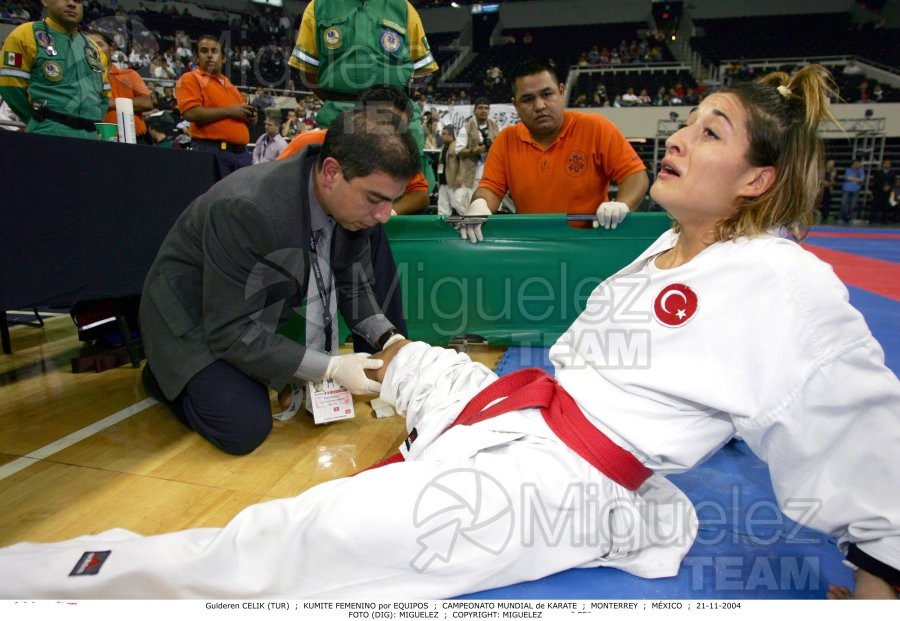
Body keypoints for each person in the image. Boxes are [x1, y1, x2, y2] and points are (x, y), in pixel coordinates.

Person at [1, 65, 898, 602]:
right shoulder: (669, 246)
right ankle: (387, 372)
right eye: (688, 117)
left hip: (555, 477)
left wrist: (873, 592)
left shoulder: (784, 284)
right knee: (420, 361)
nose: (678, 135)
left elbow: (863, 440)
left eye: (711, 131)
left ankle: (51, 582)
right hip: (522, 413)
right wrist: (375, 361)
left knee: (290, 539)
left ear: (755, 181)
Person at [135, 107, 419, 456]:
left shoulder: (350, 207)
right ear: (331, 172)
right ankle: (164, 377)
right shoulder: (247, 208)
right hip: (189, 320)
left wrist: (391, 338)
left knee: (273, 380)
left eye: (390, 201)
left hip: (245, 311)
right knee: (243, 428)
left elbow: (355, 287)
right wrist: (328, 368)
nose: (383, 216)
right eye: (375, 199)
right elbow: (230, 330)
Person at [460, 59, 649, 244]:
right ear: (515, 104)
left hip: (590, 243)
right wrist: (480, 204)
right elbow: (490, 189)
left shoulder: (596, 128)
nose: (540, 105)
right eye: (528, 99)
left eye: (547, 94)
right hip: (530, 245)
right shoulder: (506, 140)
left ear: (561, 92)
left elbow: (635, 175)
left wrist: (622, 203)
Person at [287, 0, 438, 154]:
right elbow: (308, 71)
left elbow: (420, 70)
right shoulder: (318, 7)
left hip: (394, 120)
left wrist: (392, 97)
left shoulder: (403, 8)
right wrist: (340, 99)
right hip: (338, 119)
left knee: (416, 173)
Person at [0, 0, 110, 139]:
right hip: (48, 131)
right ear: (45, 1)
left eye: (78, 0)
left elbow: (104, 95)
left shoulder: (94, 49)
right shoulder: (26, 34)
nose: (72, 4)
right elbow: (11, 88)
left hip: (90, 135)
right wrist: (40, 120)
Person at [175, 34, 257, 176]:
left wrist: (249, 117)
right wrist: (230, 111)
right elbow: (190, 113)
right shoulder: (191, 78)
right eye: (204, 51)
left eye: (215, 51)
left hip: (240, 154)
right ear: (196, 57)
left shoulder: (229, 85)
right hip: (212, 152)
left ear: (223, 58)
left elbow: (237, 114)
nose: (210, 55)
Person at [85, 29, 152, 142]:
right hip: (95, 140)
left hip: (136, 140)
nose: (95, 48)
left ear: (111, 50)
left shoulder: (129, 74)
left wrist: (108, 103)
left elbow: (146, 103)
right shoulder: (81, 80)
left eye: (99, 44)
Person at [455, 96, 501, 207]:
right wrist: (473, 151)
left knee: (493, 205)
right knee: (472, 205)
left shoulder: (497, 127)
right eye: (480, 108)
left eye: (486, 108)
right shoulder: (466, 128)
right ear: (475, 110)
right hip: (472, 173)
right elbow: (458, 150)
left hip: (492, 173)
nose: (483, 111)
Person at [436, 124, 463, 216]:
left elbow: (463, 161)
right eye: (442, 134)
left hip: (453, 181)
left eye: (444, 134)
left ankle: (468, 225)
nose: (442, 136)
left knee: (459, 205)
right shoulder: (444, 147)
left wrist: (460, 176)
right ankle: (444, 229)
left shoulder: (456, 145)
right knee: (442, 208)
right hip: (444, 182)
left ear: (451, 135)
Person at [839, 158, 865, 224]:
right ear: (852, 164)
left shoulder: (861, 170)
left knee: (853, 205)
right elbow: (847, 178)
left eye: (857, 164)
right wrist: (857, 179)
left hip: (856, 189)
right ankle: (841, 218)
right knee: (844, 203)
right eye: (855, 164)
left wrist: (852, 179)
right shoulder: (848, 170)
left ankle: (851, 219)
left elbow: (862, 180)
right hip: (847, 189)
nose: (856, 165)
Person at [869, 159, 895, 224]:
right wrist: (882, 187)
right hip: (878, 191)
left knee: (886, 206)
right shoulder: (878, 172)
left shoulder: (892, 173)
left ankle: (884, 220)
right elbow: (876, 181)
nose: (887, 164)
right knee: (875, 205)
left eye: (888, 163)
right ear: (883, 164)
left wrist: (889, 187)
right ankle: (872, 219)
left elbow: (893, 182)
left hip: (888, 192)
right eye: (885, 163)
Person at [820, 158, 837, 222]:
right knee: (818, 204)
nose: (831, 165)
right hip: (821, 189)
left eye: (833, 164)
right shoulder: (822, 170)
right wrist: (823, 182)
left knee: (827, 204)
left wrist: (829, 183)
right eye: (830, 163)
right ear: (827, 163)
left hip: (829, 190)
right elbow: (818, 179)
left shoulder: (834, 172)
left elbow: (835, 182)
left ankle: (824, 218)